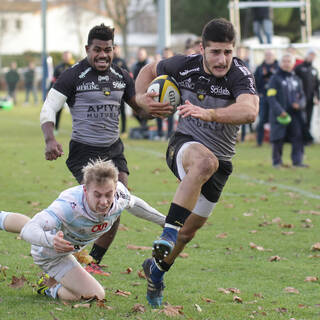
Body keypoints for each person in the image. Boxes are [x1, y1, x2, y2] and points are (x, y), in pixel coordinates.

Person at [135, 18, 259, 307]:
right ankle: (168, 230)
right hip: (185, 146)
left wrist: (210, 113)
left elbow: (250, 110)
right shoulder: (183, 65)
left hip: (223, 160)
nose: (222, 59)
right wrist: (142, 99)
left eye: (228, 52)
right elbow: (148, 70)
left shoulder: (240, 74)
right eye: (215, 52)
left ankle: (156, 271)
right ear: (202, 49)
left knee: (188, 232)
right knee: (204, 162)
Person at [40, 24, 170, 275]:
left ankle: (92, 262)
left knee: (116, 203)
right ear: (87, 49)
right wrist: (49, 139)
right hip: (84, 151)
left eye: (107, 50)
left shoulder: (121, 76)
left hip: (113, 149)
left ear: (114, 49)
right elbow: (49, 108)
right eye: (97, 50)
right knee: (98, 204)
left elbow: (139, 111)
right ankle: (64, 250)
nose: (102, 55)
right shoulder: (73, 75)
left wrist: (155, 110)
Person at [1, 159, 165, 301]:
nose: (104, 201)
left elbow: (134, 204)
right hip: (51, 253)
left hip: (71, 247)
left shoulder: (119, 195)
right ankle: (48, 287)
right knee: (96, 295)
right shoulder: (68, 206)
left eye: (108, 194)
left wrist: (165, 222)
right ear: (85, 190)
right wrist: (51, 241)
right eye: (97, 195)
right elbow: (30, 229)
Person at [267, 53, 307, 168]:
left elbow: (303, 96)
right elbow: (271, 97)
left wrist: (299, 104)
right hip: (280, 114)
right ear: (280, 63)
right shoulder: (275, 78)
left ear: (293, 63)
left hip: (295, 114)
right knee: (278, 138)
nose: (286, 63)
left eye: (289, 61)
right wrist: (280, 111)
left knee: (298, 137)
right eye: (284, 61)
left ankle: (297, 161)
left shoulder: (296, 79)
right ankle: (277, 162)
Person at [294, 49, 319, 144]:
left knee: (308, 119)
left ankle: (306, 140)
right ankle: (300, 138)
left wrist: (317, 97)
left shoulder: (314, 70)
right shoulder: (299, 68)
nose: (312, 57)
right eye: (310, 55)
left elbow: (316, 86)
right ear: (307, 55)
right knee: (301, 119)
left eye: (314, 55)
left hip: (310, 99)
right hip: (300, 99)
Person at [254, 49, 278, 146]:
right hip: (263, 97)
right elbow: (254, 81)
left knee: (274, 120)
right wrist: (257, 93)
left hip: (275, 99)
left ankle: (274, 141)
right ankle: (259, 142)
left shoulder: (278, 67)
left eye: (270, 55)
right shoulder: (260, 68)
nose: (269, 56)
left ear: (274, 56)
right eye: (267, 54)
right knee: (262, 120)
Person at [49, 51, 75, 132]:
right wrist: (49, 90)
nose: (66, 57)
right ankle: (56, 128)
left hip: (73, 93)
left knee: (76, 111)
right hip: (61, 93)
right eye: (65, 56)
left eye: (68, 56)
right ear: (63, 57)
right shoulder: (58, 67)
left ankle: (77, 128)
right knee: (58, 111)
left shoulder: (75, 66)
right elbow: (53, 80)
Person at [155, 47, 175, 141]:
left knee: (170, 113)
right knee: (158, 112)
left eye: (168, 53)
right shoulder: (160, 65)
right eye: (165, 53)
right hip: (159, 93)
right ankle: (159, 133)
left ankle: (169, 134)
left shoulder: (175, 66)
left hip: (170, 93)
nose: (166, 55)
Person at [113, 44, 130, 134]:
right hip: (110, 89)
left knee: (122, 110)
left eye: (116, 49)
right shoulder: (109, 60)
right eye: (114, 49)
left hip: (121, 89)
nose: (115, 51)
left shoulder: (122, 61)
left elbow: (127, 74)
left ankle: (123, 130)